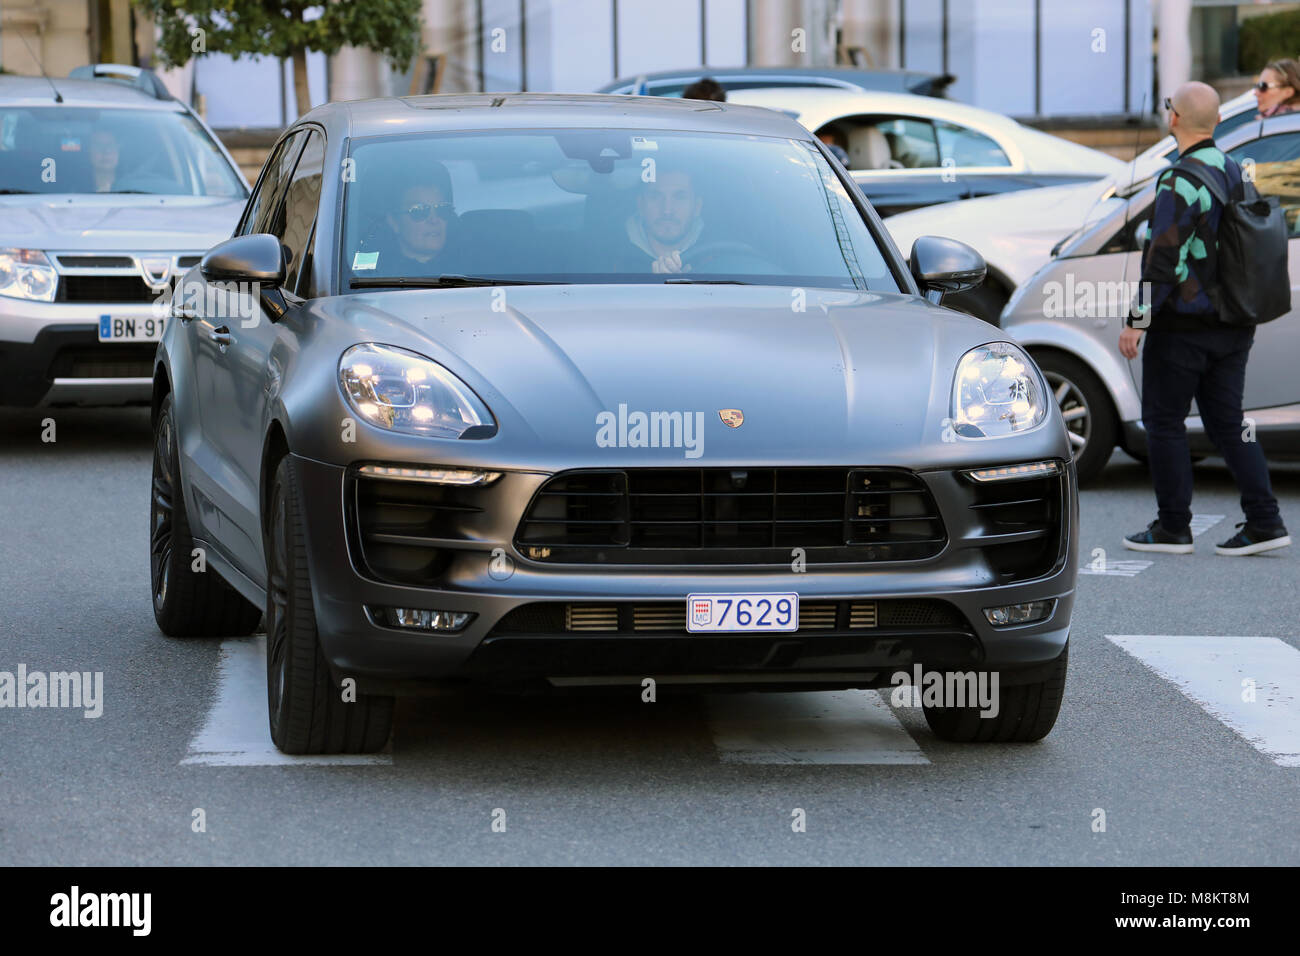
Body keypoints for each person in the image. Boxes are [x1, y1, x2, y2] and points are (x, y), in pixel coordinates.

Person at [1120, 81, 1290, 557]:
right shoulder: (1235, 170)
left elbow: (1163, 262)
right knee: (1228, 423)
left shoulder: (1179, 180)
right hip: (1236, 320)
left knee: (1164, 421)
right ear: (1216, 121)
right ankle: (1265, 520)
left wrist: (1137, 321)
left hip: (1184, 327)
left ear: (1174, 119)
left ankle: (1173, 527)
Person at [363, 162, 460, 276]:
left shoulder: (475, 270)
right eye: (419, 211)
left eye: (442, 209)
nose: (434, 220)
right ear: (394, 222)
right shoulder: (371, 276)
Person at [617, 168, 706, 274]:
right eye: (655, 197)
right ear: (640, 205)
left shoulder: (720, 258)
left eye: (679, 197)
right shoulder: (609, 257)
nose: (667, 210)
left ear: (697, 207)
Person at [89, 128, 121, 192]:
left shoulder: (133, 187)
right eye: (99, 146)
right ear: (89, 151)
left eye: (111, 145)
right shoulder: (73, 190)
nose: (106, 151)